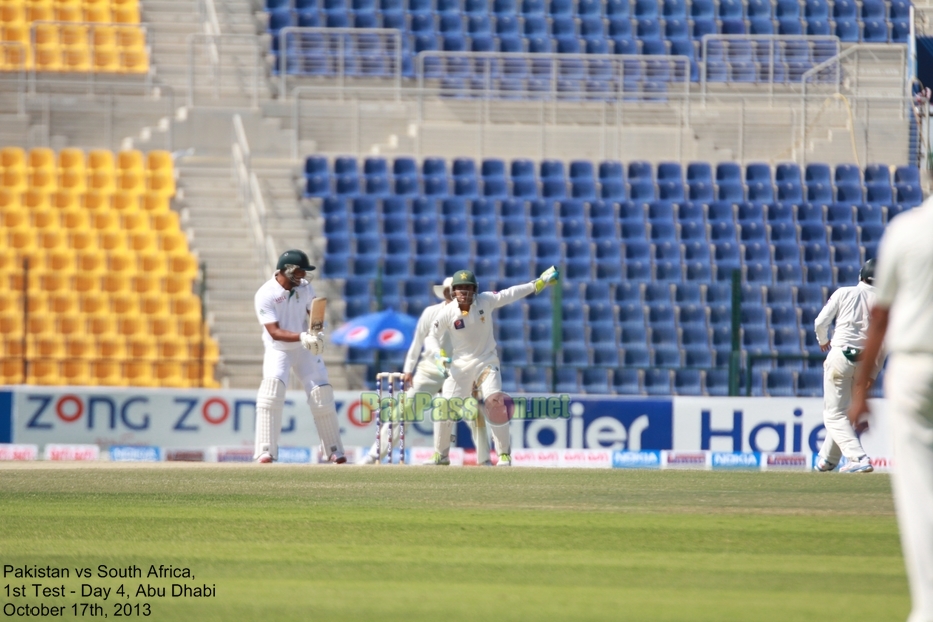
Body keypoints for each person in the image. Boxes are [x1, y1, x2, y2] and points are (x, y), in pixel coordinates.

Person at [850, 198, 933, 622]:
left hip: (917, 365)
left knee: (920, 492)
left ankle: (928, 608)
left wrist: (861, 387)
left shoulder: (906, 229)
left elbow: (880, 317)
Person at [431, 267, 559, 466]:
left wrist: (537, 284)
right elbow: (433, 337)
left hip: (486, 362)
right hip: (460, 365)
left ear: (475, 289)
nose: (464, 292)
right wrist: (439, 357)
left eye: (468, 288)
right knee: (445, 406)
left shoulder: (485, 300)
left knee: (494, 401)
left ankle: (503, 455)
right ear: (454, 291)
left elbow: (510, 293)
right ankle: (441, 455)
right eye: (460, 288)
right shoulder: (447, 312)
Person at [362, 277, 491, 465]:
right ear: (446, 293)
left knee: (474, 415)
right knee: (403, 411)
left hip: (457, 371)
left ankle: (485, 460)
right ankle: (373, 455)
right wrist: (408, 370)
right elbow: (418, 342)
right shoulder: (431, 313)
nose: (452, 295)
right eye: (449, 291)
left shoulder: (472, 315)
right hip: (429, 369)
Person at [253, 249, 345, 464]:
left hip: (303, 349)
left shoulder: (304, 288)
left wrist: (317, 332)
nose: (304, 276)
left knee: (321, 393)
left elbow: (314, 314)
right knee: (272, 392)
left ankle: (334, 450)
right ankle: (265, 450)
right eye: (301, 271)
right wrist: (303, 336)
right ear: (288, 270)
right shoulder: (265, 294)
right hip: (279, 349)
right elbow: (274, 332)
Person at [813, 259, 881, 473]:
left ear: (861, 275)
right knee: (843, 410)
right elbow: (883, 342)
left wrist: (822, 340)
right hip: (864, 362)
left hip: (841, 356)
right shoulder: (885, 302)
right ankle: (828, 460)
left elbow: (820, 322)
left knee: (834, 415)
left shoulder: (844, 292)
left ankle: (859, 458)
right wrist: (874, 371)